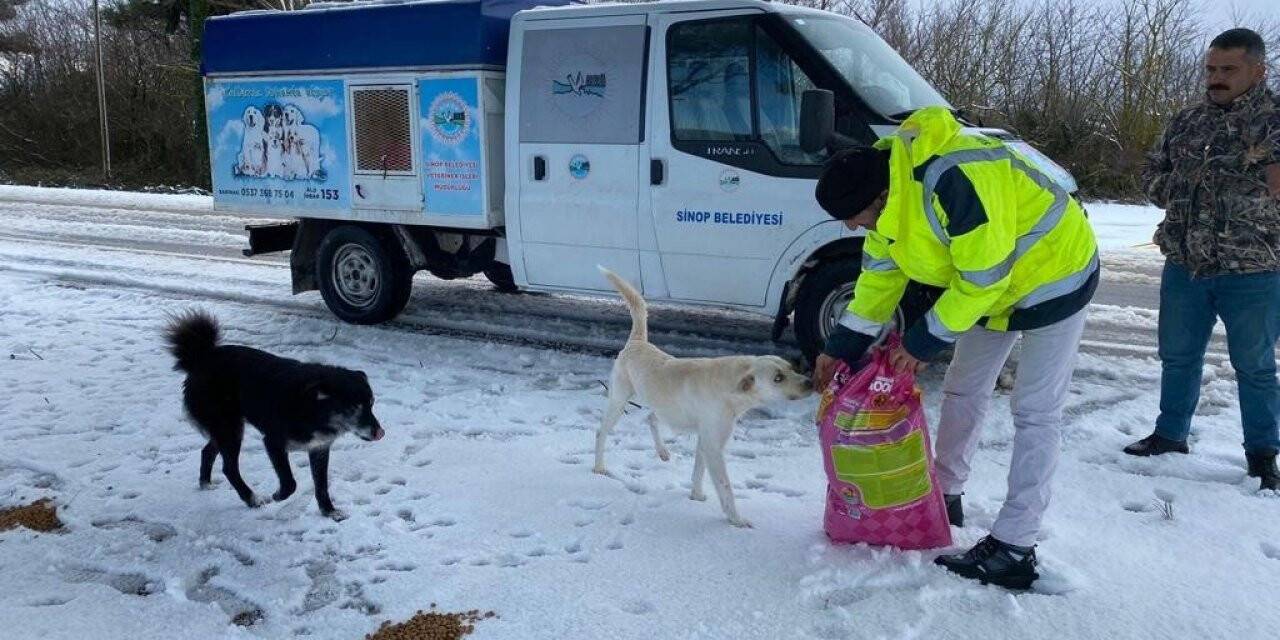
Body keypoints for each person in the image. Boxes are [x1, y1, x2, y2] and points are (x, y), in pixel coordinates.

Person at [811, 106, 1098, 589]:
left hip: (1055, 278)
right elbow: (878, 283)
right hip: (989, 291)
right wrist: (840, 345)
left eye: (853, 217)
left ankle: (1015, 545)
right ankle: (944, 495)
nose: (852, 228)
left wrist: (922, 342)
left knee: (1034, 411)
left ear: (877, 197)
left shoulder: (953, 178)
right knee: (964, 390)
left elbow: (985, 274)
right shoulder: (891, 206)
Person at [1123, 28, 1280, 493]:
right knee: (1177, 357)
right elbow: (1152, 173)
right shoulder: (1188, 120)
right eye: (1211, 69)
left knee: (1254, 365)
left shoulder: (1275, 123)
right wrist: (1175, 188)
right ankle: (1170, 435)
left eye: (1228, 70)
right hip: (1185, 263)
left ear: (1258, 70)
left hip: (1255, 267)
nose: (1216, 78)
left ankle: (1262, 454)